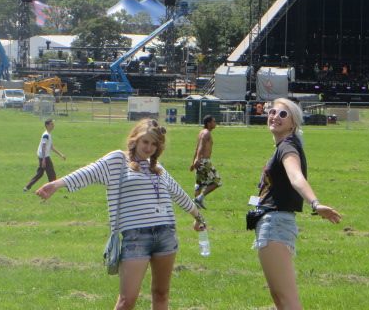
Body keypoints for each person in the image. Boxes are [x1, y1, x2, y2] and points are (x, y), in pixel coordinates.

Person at [35, 119, 206, 310]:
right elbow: (89, 172)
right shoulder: (118, 160)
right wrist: (56, 184)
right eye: (145, 142)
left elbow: (179, 194)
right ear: (135, 140)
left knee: (161, 294)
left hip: (166, 234)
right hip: (136, 237)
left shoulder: (157, 168)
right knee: (127, 300)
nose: (149, 148)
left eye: (154, 144)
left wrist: (198, 217)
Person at [251, 98, 341, 309]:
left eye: (283, 114)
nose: (275, 116)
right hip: (272, 222)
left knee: (288, 301)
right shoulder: (284, 145)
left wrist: (315, 203)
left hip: (275, 225)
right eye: (272, 112)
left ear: (293, 123)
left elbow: (296, 177)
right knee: (280, 298)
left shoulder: (287, 147)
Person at [23, 119, 66, 192]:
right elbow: (43, 147)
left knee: (40, 173)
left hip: (43, 156)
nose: (53, 125)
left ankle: (27, 187)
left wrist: (61, 154)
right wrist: (43, 160)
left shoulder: (48, 134)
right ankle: (51, 188)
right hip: (44, 157)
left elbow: (51, 147)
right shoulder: (46, 135)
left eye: (53, 124)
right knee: (51, 174)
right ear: (47, 125)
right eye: (51, 124)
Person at [189, 115, 222, 209]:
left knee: (199, 183)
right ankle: (199, 198)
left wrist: (194, 161)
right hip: (204, 161)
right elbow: (200, 147)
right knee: (217, 181)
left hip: (199, 161)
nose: (215, 123)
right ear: (208, 123)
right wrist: (198, 159)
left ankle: (195, 206)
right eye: (213, 121)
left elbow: (196, 148)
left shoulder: (201, 132)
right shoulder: (206, 133)